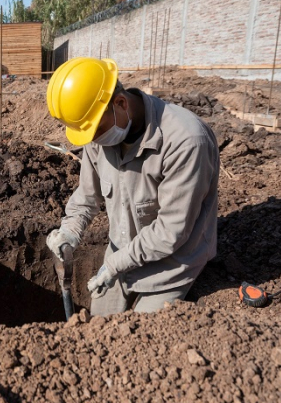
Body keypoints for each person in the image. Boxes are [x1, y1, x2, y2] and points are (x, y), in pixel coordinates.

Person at [45, 57, 219, 317]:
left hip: (171, 265)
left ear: (121, 103)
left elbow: (171, 230)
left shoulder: (186, 141)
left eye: (96, 131)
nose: (93, 142)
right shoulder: (97, 129)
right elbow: (87, 196)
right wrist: (70, 230)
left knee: (135, 338)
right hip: (120, 256)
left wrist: (114, 264)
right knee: (97, 329)